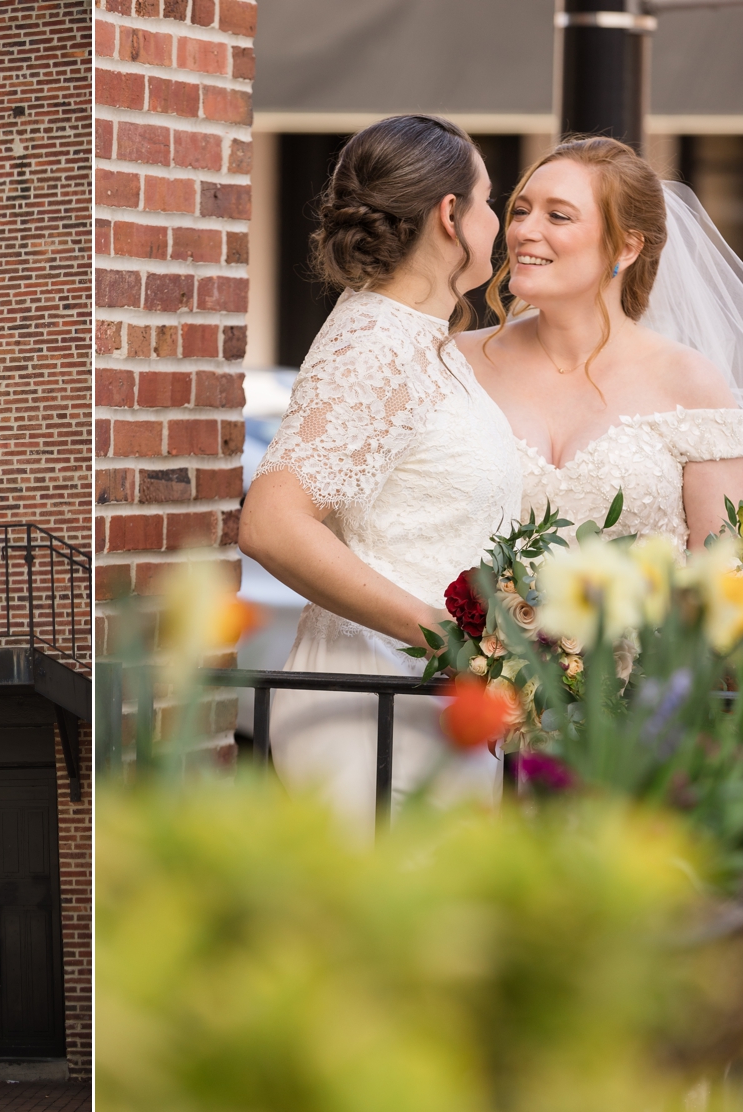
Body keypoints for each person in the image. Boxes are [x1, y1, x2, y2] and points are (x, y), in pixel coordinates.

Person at [238, 115, 522, 834]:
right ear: (450, 215)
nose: (499, 224)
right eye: (490, 202)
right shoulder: (375, 343)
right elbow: (272, 523)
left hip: (430, 704)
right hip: (374, 703)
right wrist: (446, 641)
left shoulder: (427, 341)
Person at [457, 137, 743, 545]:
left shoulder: (690, 382)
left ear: (627, 248)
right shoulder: (456, 363)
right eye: (521, 211)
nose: (524, 230)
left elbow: (722, 571)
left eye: (557, 216)